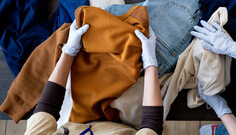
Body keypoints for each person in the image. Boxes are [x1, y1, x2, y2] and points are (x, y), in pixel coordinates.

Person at [24, 20, 163, 135]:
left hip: (77, 120)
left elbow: (47, 108)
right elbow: (152, 123)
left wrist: (69, 51)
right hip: (128, 123)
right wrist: (150, 62)